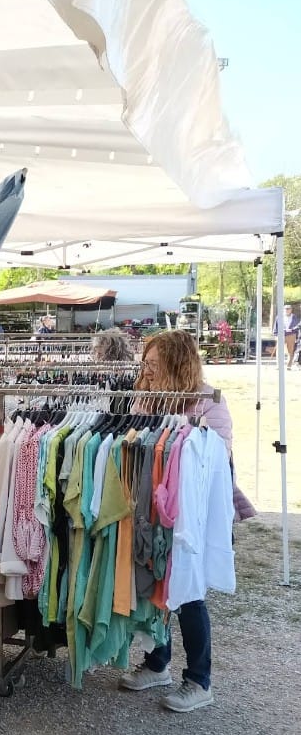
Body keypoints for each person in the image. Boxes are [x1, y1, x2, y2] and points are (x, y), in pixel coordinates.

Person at [119, 330, 254, 712]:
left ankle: (199, 679)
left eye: (154, 364)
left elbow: (214, 459)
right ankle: (157, 662)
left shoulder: (209, 402)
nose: (146, 370)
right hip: (151, 509)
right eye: (145, 364)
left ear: (177, 364)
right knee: (152, 586)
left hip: (190, 513)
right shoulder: (145, 396)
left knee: (190, 595)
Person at [271, 304, 299, 369]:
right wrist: (275, 334)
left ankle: (289, 366)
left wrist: (296, 334)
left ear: (291, 310)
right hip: (281, 334)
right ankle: (278, 365)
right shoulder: (279, 317)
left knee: (290, 350)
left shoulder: (294, 317)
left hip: (291, 335)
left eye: (288, 309)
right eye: (286, 309)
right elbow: (276, 326)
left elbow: (297, 326)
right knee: (279, 350)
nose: (287, 310)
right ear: (283, 310)